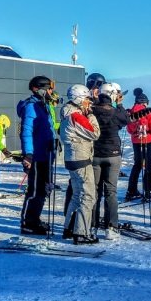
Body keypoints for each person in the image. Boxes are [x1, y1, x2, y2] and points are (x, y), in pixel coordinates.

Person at [60, 84, 101, 244]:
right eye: (86, 99)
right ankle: (81, 233)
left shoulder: (66, 113)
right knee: (89, 196)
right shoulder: (76, 116)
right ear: (79, 99)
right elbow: (95, 133)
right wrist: (90, 116)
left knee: (77, 195)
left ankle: (68, 228)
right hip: (81, 158)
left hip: (72, 159)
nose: (89, 103)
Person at [17, 75, 57, 236]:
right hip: (37, 156)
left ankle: (35, 219)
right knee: (35, 191)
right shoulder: (31, 107)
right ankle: (28, 222)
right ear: (39, 89)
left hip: (46, 155)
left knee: (42, 190)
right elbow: (26, 132)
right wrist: (28, 154)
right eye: (48, 89)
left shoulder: (43, 106)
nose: (51, 92)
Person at [92, 82, 129, 236]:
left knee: (94, 191)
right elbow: (125, 120)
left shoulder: (92, 110)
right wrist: (119, 104)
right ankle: (111, 227)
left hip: (95, 154)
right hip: (113, 154)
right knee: (110, 192)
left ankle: (92, 225)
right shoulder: (115, 112)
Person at [126, 88, 151, 200]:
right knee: (149, 166)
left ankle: (132, 190)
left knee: (137, 165)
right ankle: (148, 191)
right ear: (145, 102)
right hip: (148, 140)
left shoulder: (131, 112)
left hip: (136, 141)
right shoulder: (147, 112)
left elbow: (130, 130)